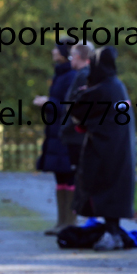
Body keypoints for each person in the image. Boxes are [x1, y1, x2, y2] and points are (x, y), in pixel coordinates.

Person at [68, 46, 136, 251]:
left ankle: (112, 234)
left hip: (104, 151)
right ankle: (112, 231)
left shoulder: (103, 89)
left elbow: (77, 108)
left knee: (104, 190)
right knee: (112, 191)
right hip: (119, 149)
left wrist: (82, 92)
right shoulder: (117, 86)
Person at [35, 37, 78, 236]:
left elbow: (69, 107)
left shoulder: (71, 77)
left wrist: (48, 102)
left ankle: (70, 222)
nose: (53, 51)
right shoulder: (60, 75)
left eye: (56, 49)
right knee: (60, 177)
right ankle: (61, 222)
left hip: (64, 133)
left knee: (69, 177)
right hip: (55, 132)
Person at [58, 42, 94, 231]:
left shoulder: (84, 76)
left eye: (72, 56)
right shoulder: (81, 75)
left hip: (77, 135)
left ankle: (73, 221)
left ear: (79, 56)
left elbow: (77, 106)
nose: (70, 59)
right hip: (73, 134)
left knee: (78, 177)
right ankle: (66, 221)